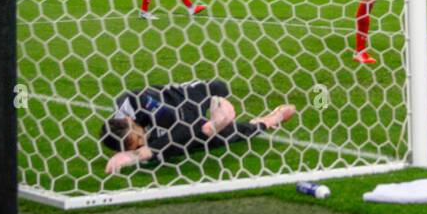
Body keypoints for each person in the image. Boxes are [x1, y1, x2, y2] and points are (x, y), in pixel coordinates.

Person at [100, 79, 295, 175]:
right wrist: (134, 153)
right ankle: (262, 121)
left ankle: (265, 119)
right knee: (201, 142)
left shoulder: (142, 102)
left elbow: (183, 127)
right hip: (175, 121)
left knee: (199, 134)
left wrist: (137, 155)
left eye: (138, 138)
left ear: (128, 121)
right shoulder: (122, 125)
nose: (141, 141)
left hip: (192, 100)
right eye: (136, 144)